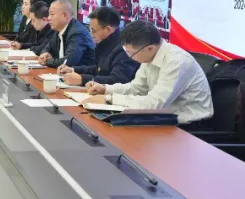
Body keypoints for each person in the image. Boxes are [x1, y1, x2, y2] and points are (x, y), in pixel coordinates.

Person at [85, 20, 214, 126]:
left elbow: (154, 104)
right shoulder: (149, 55)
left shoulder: (177, 61)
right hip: (165, 118)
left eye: (131, 54)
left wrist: (109, 99)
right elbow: (137, 88)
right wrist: (106, 89)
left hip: (190, 127)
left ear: (150, 48)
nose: (130, 58)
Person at [58, 7, 139, 86]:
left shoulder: (124, 48)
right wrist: (73, 69)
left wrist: (82, 79)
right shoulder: (105, 42)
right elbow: (98, 69)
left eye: (93, 31)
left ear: (108, 29)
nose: (91, 35)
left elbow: (117, 80)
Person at [34, 0, 96, 68]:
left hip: (80, 74)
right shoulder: (58, 30)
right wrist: (44, 54)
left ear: (65, 15)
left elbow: (68, 62)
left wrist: (47, 61)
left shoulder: (77, 33)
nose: (48, 18)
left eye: (52, 14)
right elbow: (47, 48)